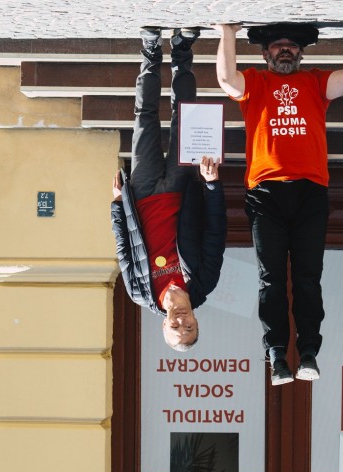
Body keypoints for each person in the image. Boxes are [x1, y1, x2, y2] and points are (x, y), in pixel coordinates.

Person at [215, 21, 343, 383]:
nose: (285, 49)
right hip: (266, 192)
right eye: (277, 46)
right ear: (265, 52)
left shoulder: (314, 82)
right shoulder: (255, 82)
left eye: (291, 46)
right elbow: (226, 79)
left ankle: (309, 352)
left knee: (307, 278)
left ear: (301, 52)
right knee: (270, 279)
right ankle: (275, 355)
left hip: (310, 191)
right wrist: (227, 32)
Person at [112, 27, 227, 352]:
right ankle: (182, 50)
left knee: (144, 118)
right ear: (196, 321)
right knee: (184, 118)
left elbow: (123, 248)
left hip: (144, 191)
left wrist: (117, 206)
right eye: (188, 326)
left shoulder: (139, 292)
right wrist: (212, 185)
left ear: (164, 326)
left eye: (175, 328)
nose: (180, 321)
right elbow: (215, 231)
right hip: (182, 189)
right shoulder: (204, 282)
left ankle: (150, 50)